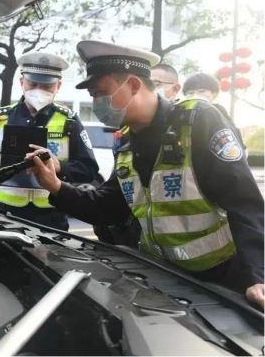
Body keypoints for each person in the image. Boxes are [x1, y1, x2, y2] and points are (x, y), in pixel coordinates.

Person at [27, 40, 265, 308]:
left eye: (101, 93)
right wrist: (56, 186)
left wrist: (258, 275)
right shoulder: (126, 143)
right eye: (93, 96)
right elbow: (109, 208)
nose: (96, 103)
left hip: (222, 282)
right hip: (164, 280)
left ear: (133, 85)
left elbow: (244, 202)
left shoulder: (197, 120)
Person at [0, 51, 100, 231]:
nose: (38, 90)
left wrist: (59, 166)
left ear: (58, 86)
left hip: (51, 220)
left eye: (47, 86)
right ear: (22, 82)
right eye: (33, 84)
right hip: (4, 218)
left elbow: (88, 169)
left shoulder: (69, 122)